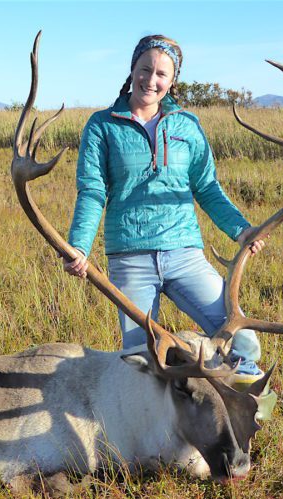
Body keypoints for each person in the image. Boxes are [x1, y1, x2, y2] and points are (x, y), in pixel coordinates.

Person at [63, 35, 266, 382]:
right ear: (132, 70)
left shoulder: (186, 125)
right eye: (145, 70)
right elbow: (93, 191)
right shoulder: (102, 125)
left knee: (243, 342)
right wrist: (78, 245)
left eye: (161, 74)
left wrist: (241, 229)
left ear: (172, 81)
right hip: (130, 259)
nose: (151, 80)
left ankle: (246, 412)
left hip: (184, 253)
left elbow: (207, 188)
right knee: (140, 361)